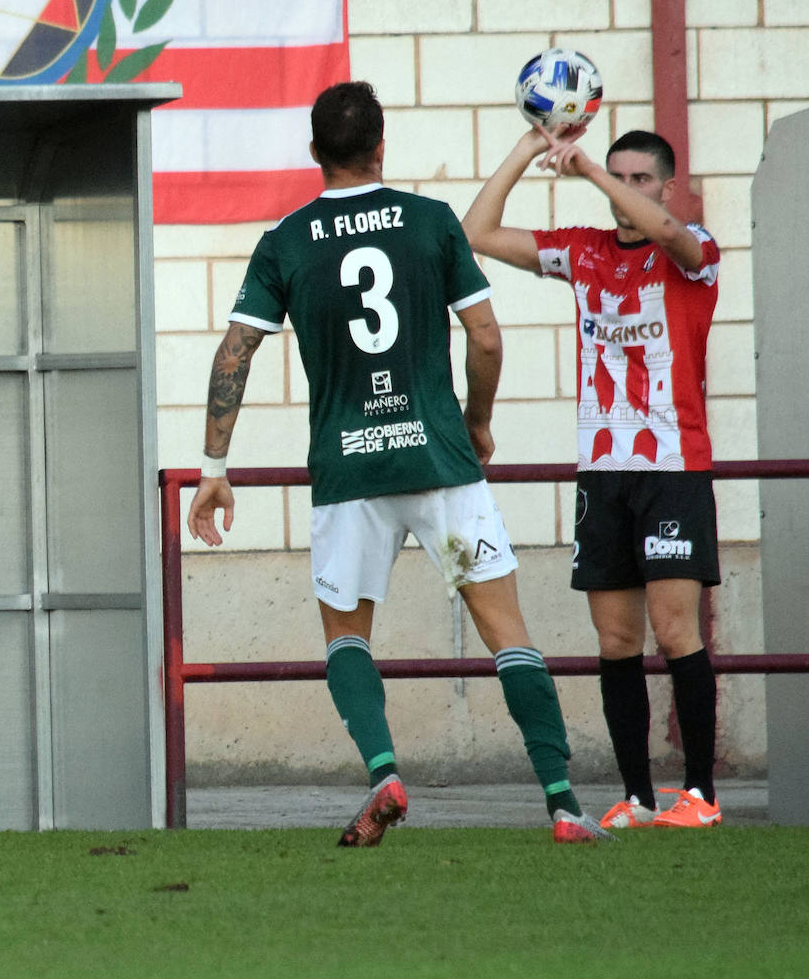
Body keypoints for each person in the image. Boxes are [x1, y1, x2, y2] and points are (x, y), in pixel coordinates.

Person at [186, 82, 607, 846]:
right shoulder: (430, 222)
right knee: (506, 629)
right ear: (383, 145)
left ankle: (384, 772)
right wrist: (477, 422)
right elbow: (485, 338)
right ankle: (563, 804)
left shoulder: (286, 239)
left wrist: (215, 465)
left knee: (348, 637)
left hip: (349, 473)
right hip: (440, 461)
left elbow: (234, 352)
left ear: (315, 154)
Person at [463, 125, 722, 829]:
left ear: (666, 185)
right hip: (603, 472)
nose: (627, 190)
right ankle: (638, 796)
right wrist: (525, 147)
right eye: (618, 176)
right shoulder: (583, 250)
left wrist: (591, 174)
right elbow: (477, 232)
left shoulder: (693, 252)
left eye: (641, 179)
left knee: (676, 633)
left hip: (673, 468)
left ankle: (699, 793)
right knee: (615, 642)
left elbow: (670, 232)